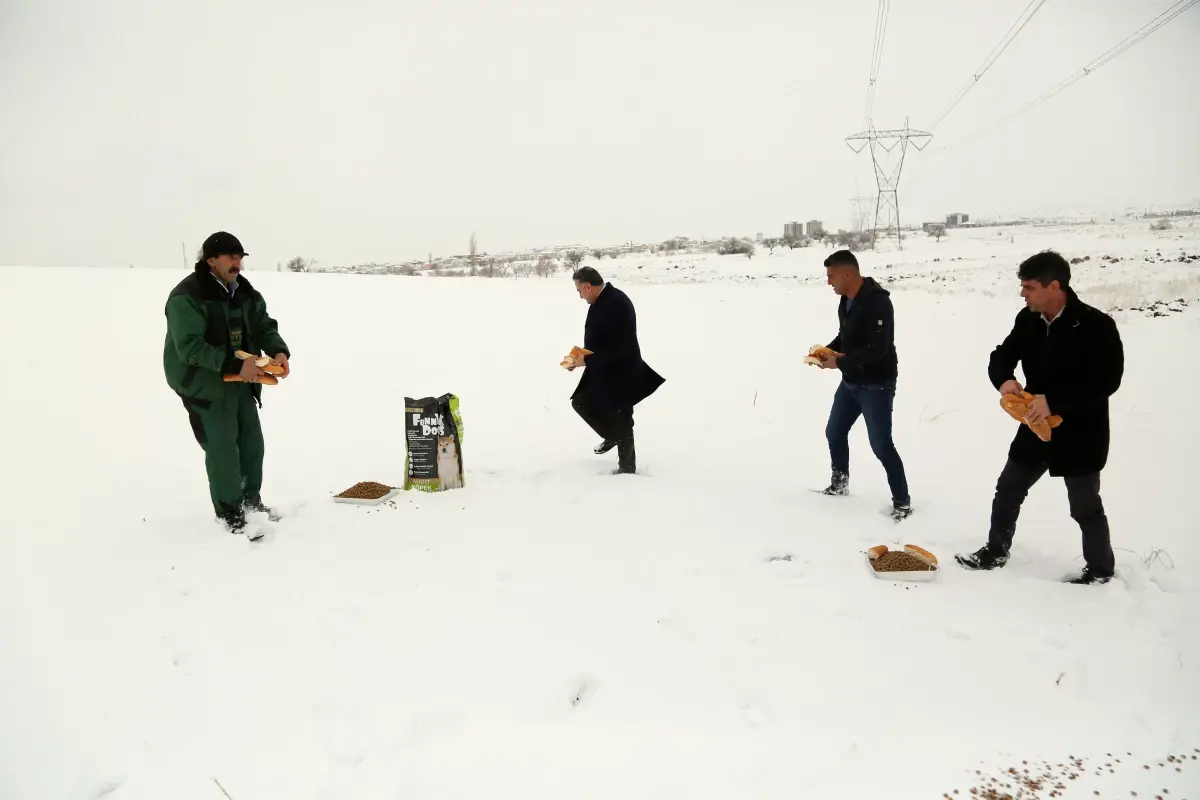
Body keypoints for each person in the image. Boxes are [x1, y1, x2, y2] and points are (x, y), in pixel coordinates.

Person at [956, 250, 1123, 585]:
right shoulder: (1028, 320)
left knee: (1084, 506)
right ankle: (996, 550)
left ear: (1054, 286)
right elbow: (1001, 356)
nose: (1023, 293)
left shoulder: (1096, 325)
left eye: (1029, 287)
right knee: (1008, 488)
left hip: (1081, 431)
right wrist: (1004, 380)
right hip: (1034, 424)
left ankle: (1101, 570)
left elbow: (1107, 380)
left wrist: (1056, 402)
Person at [163, 231, 292, 534]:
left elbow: (262, 324)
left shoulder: (243, 291)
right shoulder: (187, 297)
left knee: (251, 442)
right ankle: (230, 514)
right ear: (211, 260)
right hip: (202, 380)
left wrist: (278, 350)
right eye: (231, 256)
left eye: (240, 257)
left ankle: (251, 503)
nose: (237, 262)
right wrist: (235, 363)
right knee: (223, 447)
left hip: (241, 376)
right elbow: (190, 347)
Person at [816, 249, 912, 521]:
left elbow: (877, 349)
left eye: (831, 276)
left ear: (848, 273)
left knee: (881, 445)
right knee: (834, 432)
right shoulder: (845, 300)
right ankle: (840, 483)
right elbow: (844, 336)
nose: (829, 282)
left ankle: (902, 501)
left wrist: (839, 363)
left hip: (876, 386)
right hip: (851, 383)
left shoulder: (878, 303)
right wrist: (827, 350)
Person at [568, 266, 665, 474]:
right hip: (605, 369)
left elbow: (621, 347)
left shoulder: (616, 303)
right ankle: (612, 437)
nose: (579, 296)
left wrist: (587, 361)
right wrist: (578, 358)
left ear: (587, 286)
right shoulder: (600, 300)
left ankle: (627, 469)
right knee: (581, 402)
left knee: (621, 419)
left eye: (579, 291)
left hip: (621, 373)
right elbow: (602, 337)